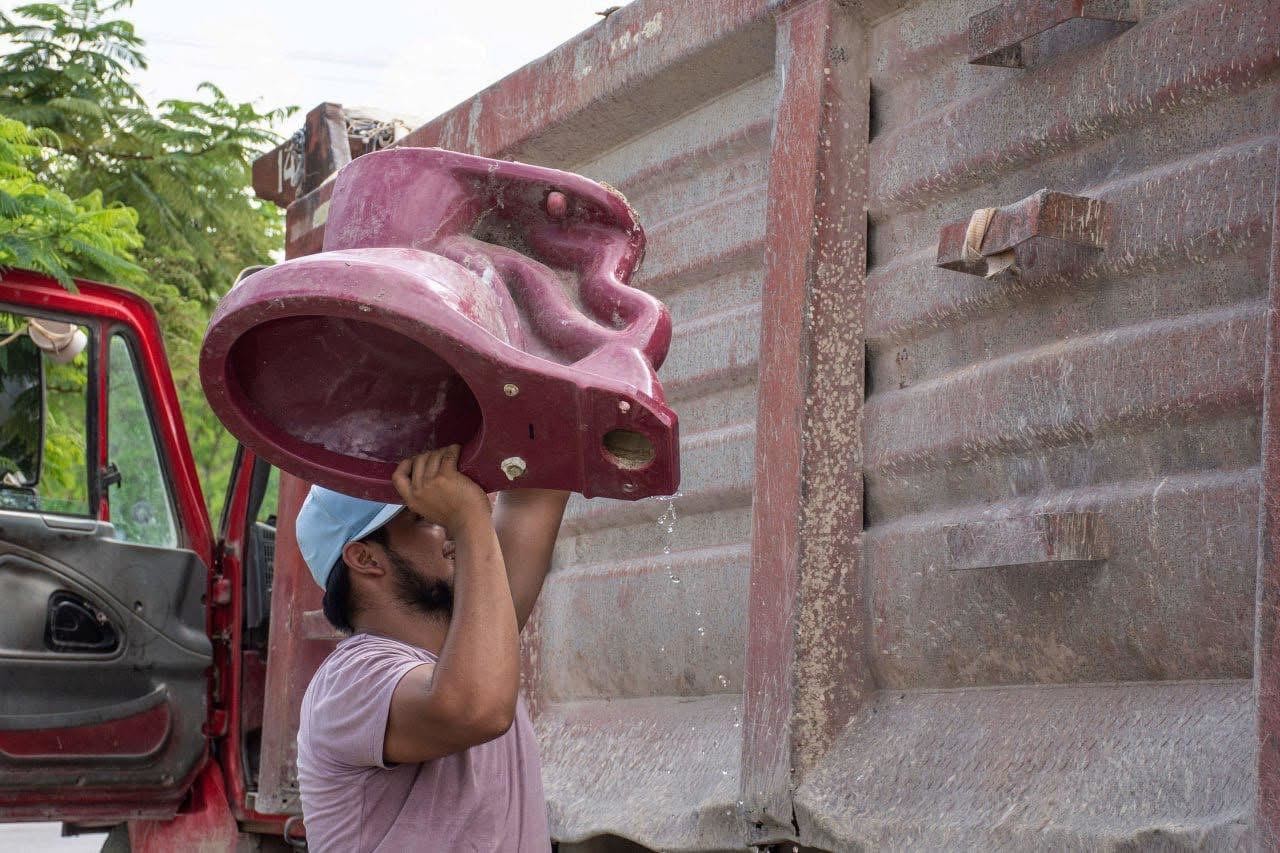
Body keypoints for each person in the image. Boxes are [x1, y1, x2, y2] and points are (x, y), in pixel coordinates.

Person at [292, 444, 569, 852]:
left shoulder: (474, 651)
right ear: (366, 557)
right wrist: (468, 517)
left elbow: (538, 490)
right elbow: (477, 709)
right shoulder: (350, 677)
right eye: (427, 519)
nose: (451, 532)